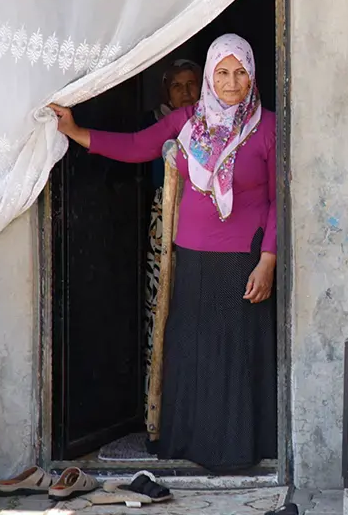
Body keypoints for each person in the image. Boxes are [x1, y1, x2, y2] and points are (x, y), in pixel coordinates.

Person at [48, 34, 277, 473]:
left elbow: (277, 202)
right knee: (192, 351)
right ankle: (191, 442)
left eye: (240, 71)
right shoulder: (187, 122)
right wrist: (76, 132)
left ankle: (235, 449)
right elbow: (136, 146)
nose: (231, 82)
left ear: (252, 74)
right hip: (192, 254)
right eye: (223, 72)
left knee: (234, 354)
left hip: (244, 260)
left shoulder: (266, 127)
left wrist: (267, 261)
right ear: (211, 75)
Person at [140, 59, 204, 443]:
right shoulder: (158, 124)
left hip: (199, 234)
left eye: (191, 84)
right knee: (159, 311)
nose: (185, 92)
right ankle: (156, 417)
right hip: (162, 231)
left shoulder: (211, 125)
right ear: (166, 92)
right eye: (177, 86)